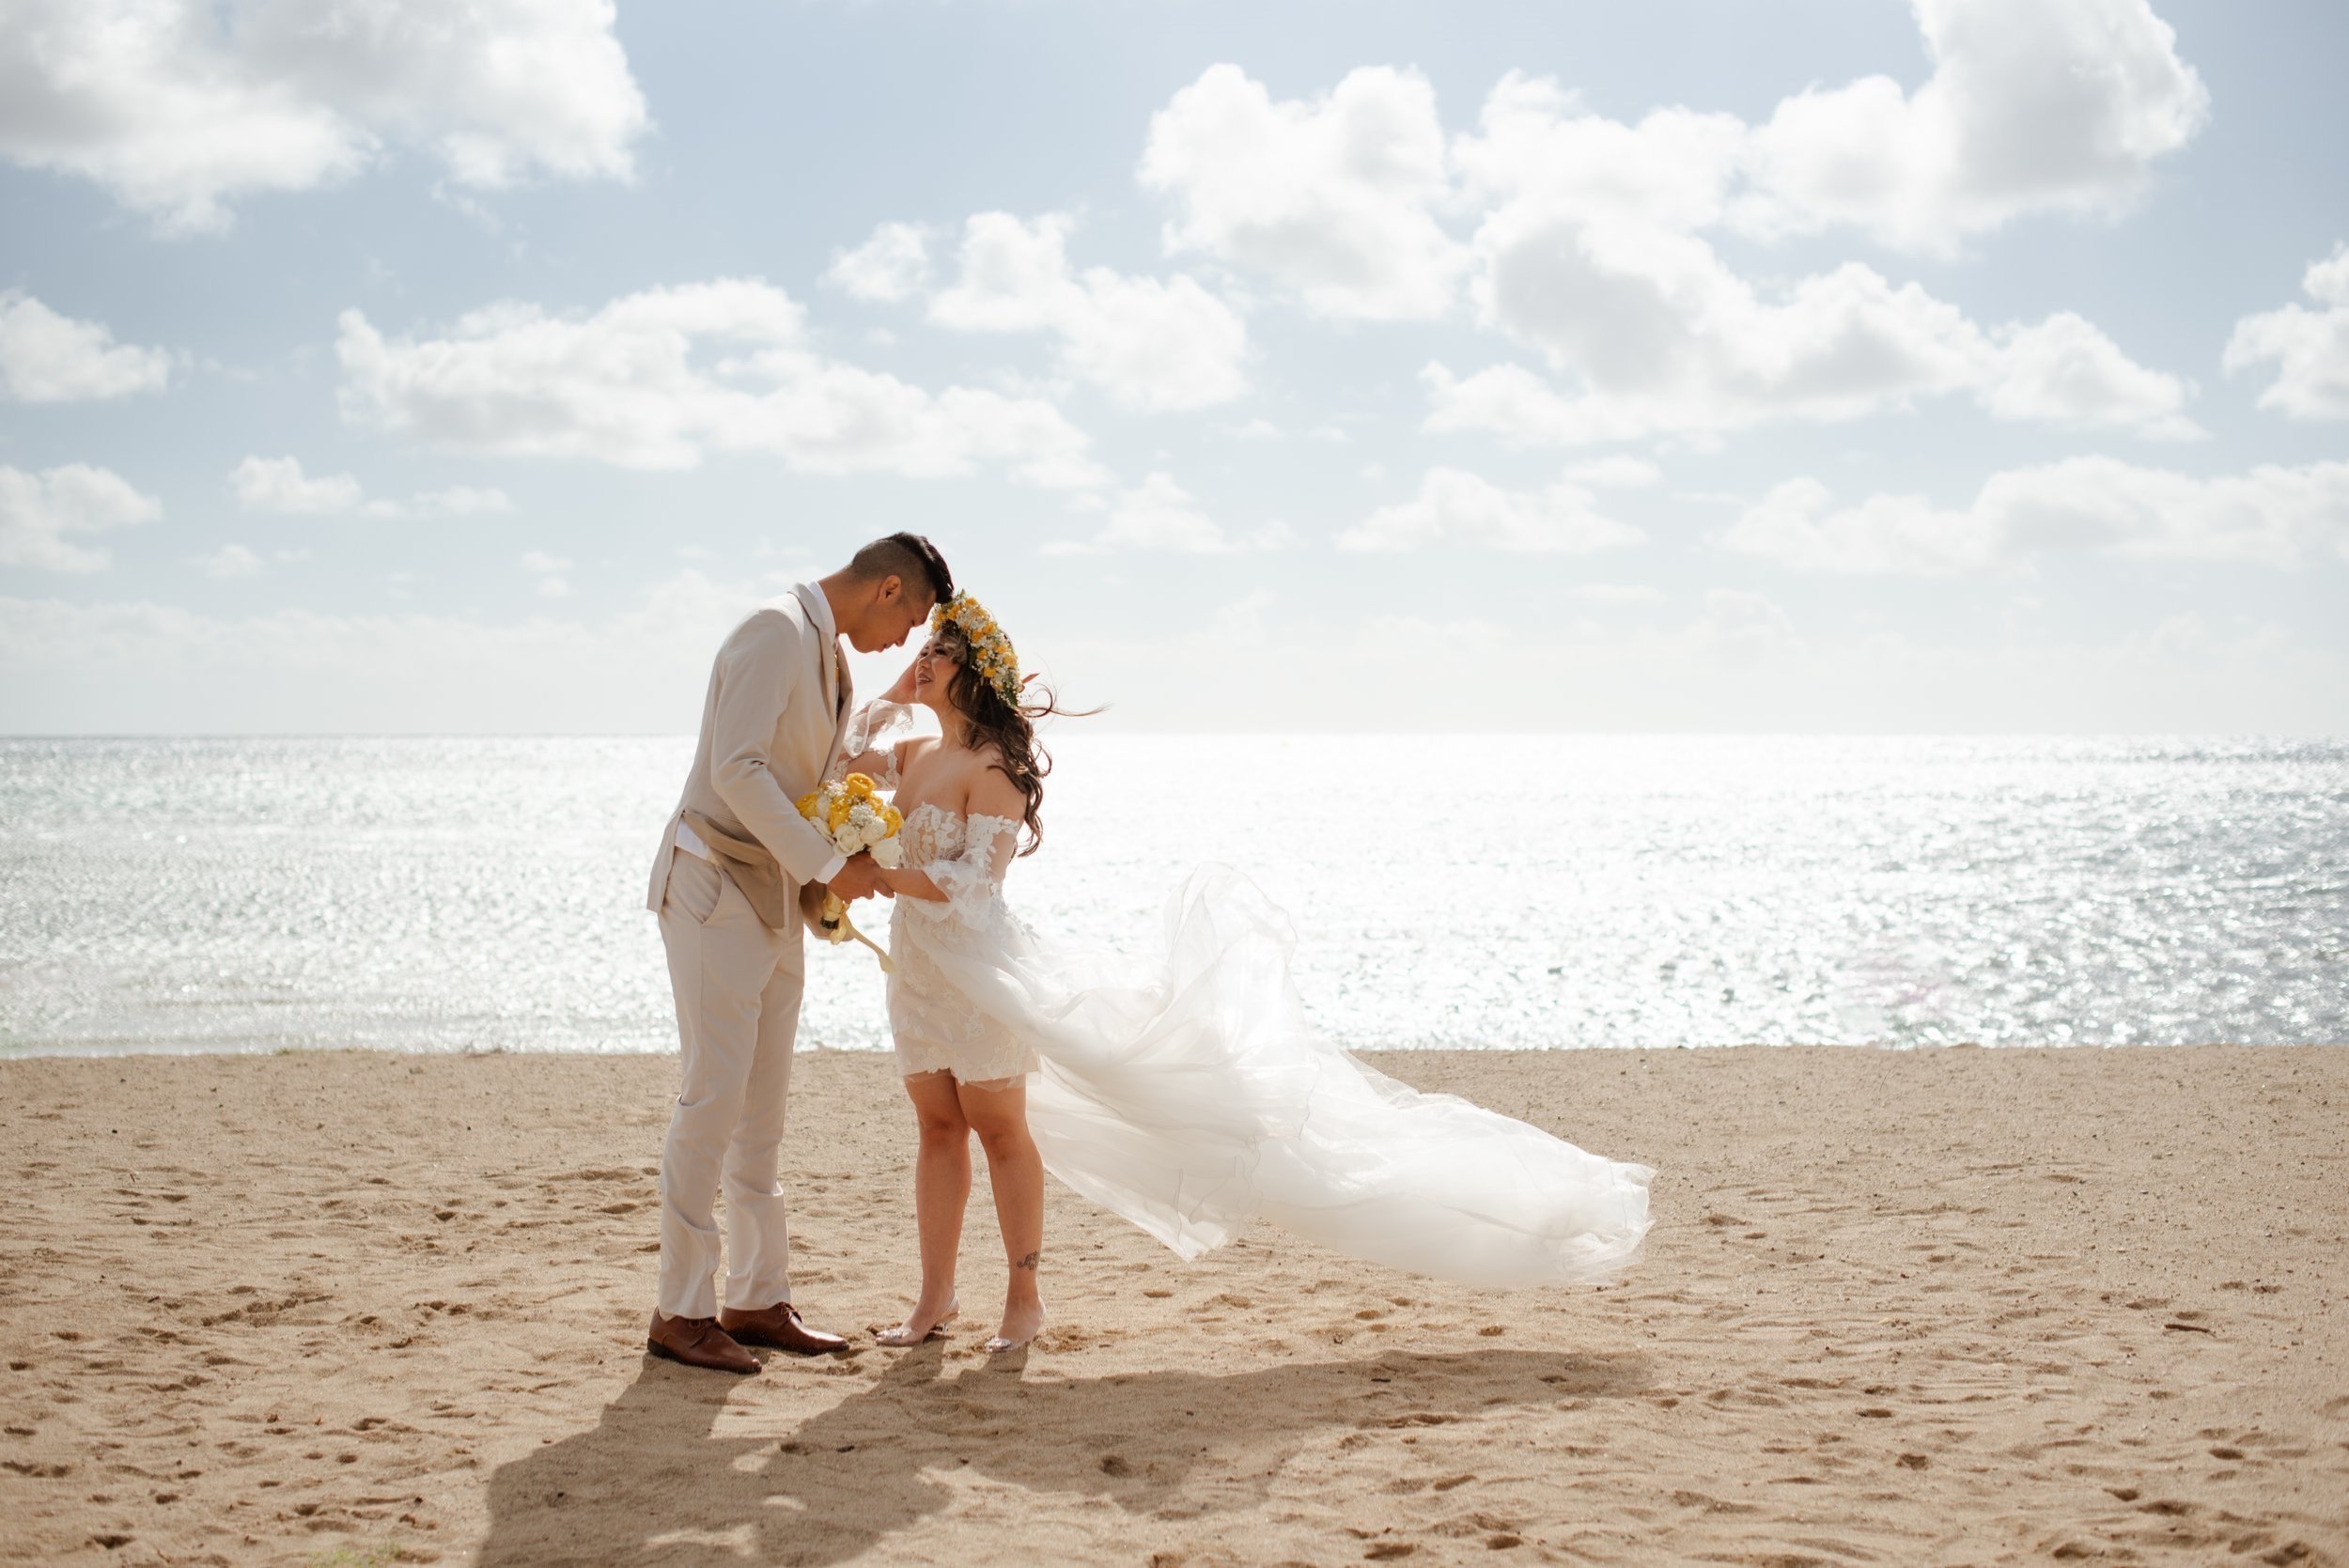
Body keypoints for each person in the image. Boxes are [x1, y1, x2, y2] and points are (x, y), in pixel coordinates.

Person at [832, 593, 1654, 1357]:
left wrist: (877, 878)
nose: (929, 656)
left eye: (943, 648)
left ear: (977, 670)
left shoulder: (991, 767)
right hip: (918, 973)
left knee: (1000, 1129)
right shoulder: (911, 751)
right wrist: (896, 688)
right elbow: (846, 757)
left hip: (985, 974)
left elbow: (974, 887)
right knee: (936, 1127)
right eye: (926, 648)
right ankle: (933, 1297)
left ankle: (1023, 1299)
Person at [642, 533, 951, 1375]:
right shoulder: (772, 632)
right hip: (713, 891)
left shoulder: (830, 655)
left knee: (762, 1110)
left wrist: (941, 758)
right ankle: (681, 1309)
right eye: (913, 618)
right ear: (889, 587)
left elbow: (827, 763)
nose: (906, 638)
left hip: (776, 901)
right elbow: (737, 770)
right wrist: (833, 866)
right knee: (712, 1097)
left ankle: (754, 1296)